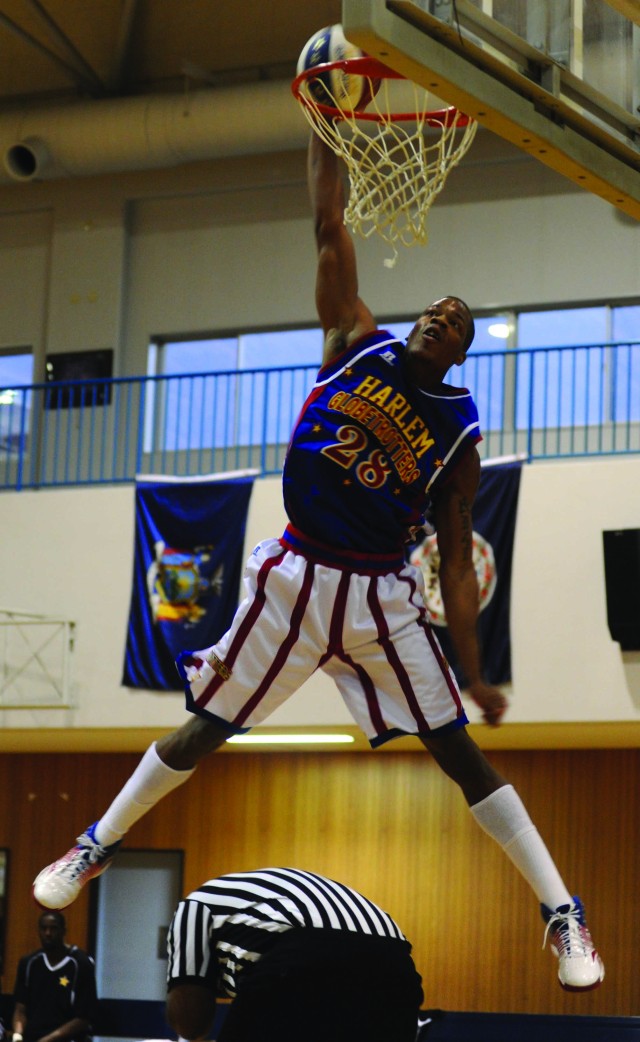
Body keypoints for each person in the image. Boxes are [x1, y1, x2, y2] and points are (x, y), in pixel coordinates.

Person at [33, 129, 604, 993]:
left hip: (382, 598)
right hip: (297, 576)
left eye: (455, 323)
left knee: (459, 755)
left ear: (461, 353)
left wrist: (477, 672)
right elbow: (328, 223)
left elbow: (454, 559)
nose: (437, 318)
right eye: (433, 309)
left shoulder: (459, 435)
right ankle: (94, 845)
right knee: (207, 725)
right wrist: (321, 124)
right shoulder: (354, 342)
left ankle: (562, 914)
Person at [164, 865, 423, 1042]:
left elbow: (191, 1022)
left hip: (305, 954)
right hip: (395, 958)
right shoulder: (261, 894)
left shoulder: (193, 906)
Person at [12, 911, 97, 1042]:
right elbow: (20, 1009)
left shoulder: (81, 963)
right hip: (33, 1036)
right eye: (44, 928)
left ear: (64, 931)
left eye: (53, 928)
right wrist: (18, 1035)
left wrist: (47, 1040)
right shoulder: (29, 962)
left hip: (69, 1038)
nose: (48, 933)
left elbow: (84, 1019)